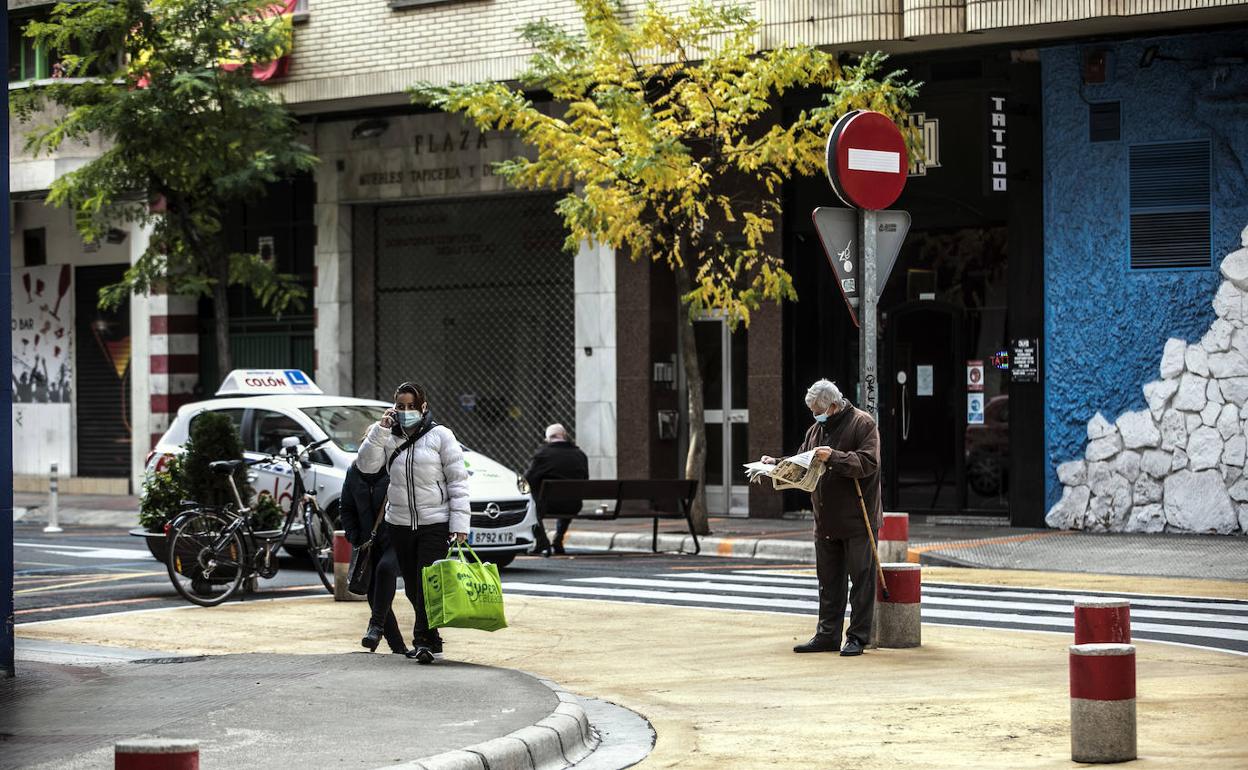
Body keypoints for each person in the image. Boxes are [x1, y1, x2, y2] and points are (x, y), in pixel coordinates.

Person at [762, 379, 881, 657]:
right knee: (828, 581)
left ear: (834, 405)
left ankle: (857, 637)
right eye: (813, 411)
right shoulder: (816, 429)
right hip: (825, 518)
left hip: (857, 519)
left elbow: (868, 463)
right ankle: (827, 634)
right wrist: (777, 464)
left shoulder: (863, 424)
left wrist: (835, 457)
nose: (816, 415)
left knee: (861, 581)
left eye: (819, 410)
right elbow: (802, 460)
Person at [356, 382, 470, 664]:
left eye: (411, 406)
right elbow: (366, 467)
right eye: (401, 406)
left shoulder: (441, 435)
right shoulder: (386, 436)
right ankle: (432, 638)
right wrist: (380, 431)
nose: (406, 412)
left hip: (435, 522)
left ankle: (422, 642)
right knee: (411, 586)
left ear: (423, 407)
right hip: (399, 523)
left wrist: (460, 523)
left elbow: (458, 481)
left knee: (425, 582)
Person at [339, 460, 406, 655]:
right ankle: (398, 647)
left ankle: (375, 626)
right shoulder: (354, 471)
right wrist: (354, 536)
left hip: (396, 538)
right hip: (368, 543)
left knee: (385, 569)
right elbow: (347, 507)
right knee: (374, 593)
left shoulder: (395, 469)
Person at [524, 423, 589, 556]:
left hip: (547, 505)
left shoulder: (543, 454)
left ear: (548, 439)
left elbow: (528, 479)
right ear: (565, 436)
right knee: (568, 495)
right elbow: (585, 479)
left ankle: (542, 541)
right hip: (573, 505)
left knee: (530, 505)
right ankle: (558, 539)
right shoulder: (580, 455)